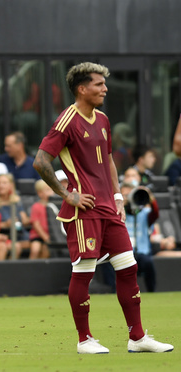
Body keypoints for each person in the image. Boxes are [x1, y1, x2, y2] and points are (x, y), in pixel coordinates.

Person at [33, 62, 173, 354]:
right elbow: (41, 161)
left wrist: (119, 197)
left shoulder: (104, 120)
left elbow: (108, 160)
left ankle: (137, 338)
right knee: (84, 271)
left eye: (104, 84)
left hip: (109, 208)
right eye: (99, 84)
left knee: (129, 267)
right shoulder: (66, 121)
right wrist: (67, 195)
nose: (105, 88)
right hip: (83, 211)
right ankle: (84, 339)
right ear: (82, 89)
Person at [120, 183, 159, 292]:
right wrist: (120, 204)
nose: (127, 198)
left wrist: (148, 195)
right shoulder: (118, 214)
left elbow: (155, 213)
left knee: (148, 263)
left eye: (129, 195)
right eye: (124, 195)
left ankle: (152, 292)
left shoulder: (145, 213)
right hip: (124, 253)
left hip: (142, 252)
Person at [0, 173, 29, 257]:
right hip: (4, 236)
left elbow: (24, 220)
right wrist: (5, 224)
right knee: (16, 246)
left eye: (4, 183)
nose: (0, 186)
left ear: (11, 185)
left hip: (20, 234)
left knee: (38, 245)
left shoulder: (16, 200)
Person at [28, 180, 53, 259]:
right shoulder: (36, 206)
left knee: (47, 250)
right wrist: (45, 237)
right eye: (47, 190)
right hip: (37, 236)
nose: (51, 192)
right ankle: (30, 267)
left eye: (51, 189)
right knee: (35, 249)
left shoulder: (54, 206)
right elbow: (36, 224)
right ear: (40, 193)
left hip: (52, 236)